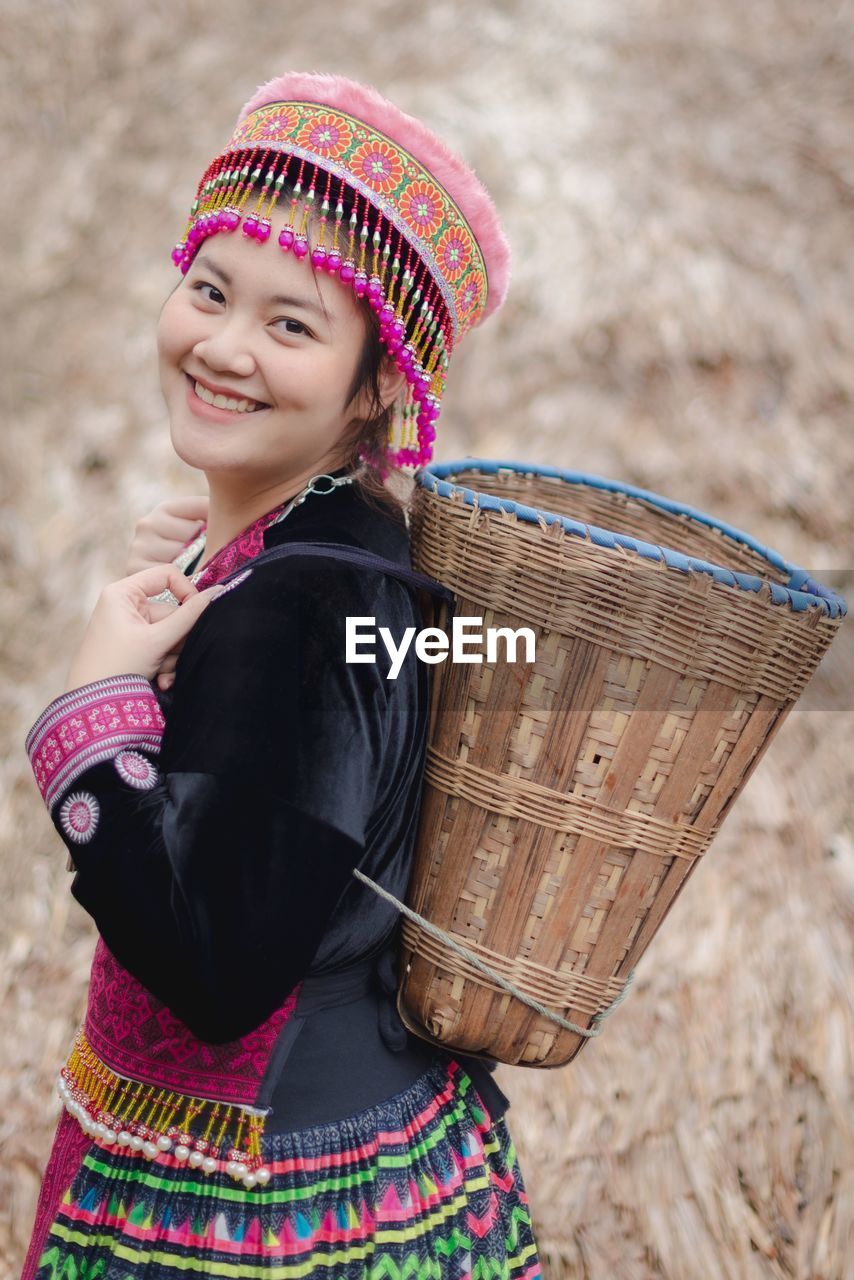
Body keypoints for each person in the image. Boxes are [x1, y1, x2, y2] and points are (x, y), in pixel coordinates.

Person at [21, 71, 542, 1277]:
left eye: (290, 324)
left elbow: (224, 960)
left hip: (258, 1215)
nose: (221, 345)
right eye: (208, 290)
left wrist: (88, 721)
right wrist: (219, 588)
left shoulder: (305, 602)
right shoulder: (343, 557)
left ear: (376, 386)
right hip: (383, 1150)